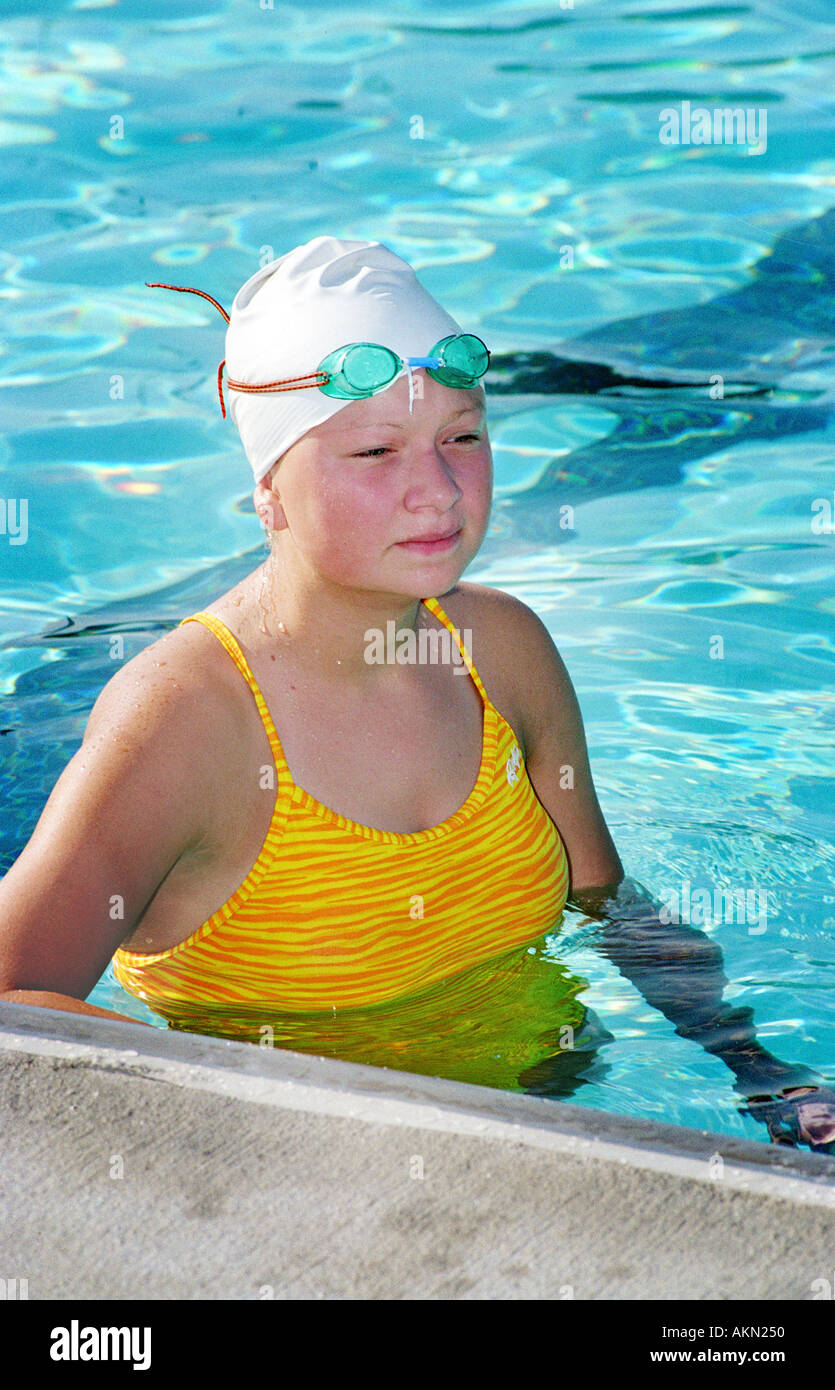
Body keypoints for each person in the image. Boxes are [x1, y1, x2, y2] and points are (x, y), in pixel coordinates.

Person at [0, 237, 832, 1153]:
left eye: (461, 436)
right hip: (316, 1195)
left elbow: (608, 904)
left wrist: (757, 1070)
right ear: (268, 490)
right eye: (373, 450)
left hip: (559, 1120)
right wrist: (262, 1123)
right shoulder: (186, 720)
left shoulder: (501, 650)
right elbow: (13, 1006)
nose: (436, 492)